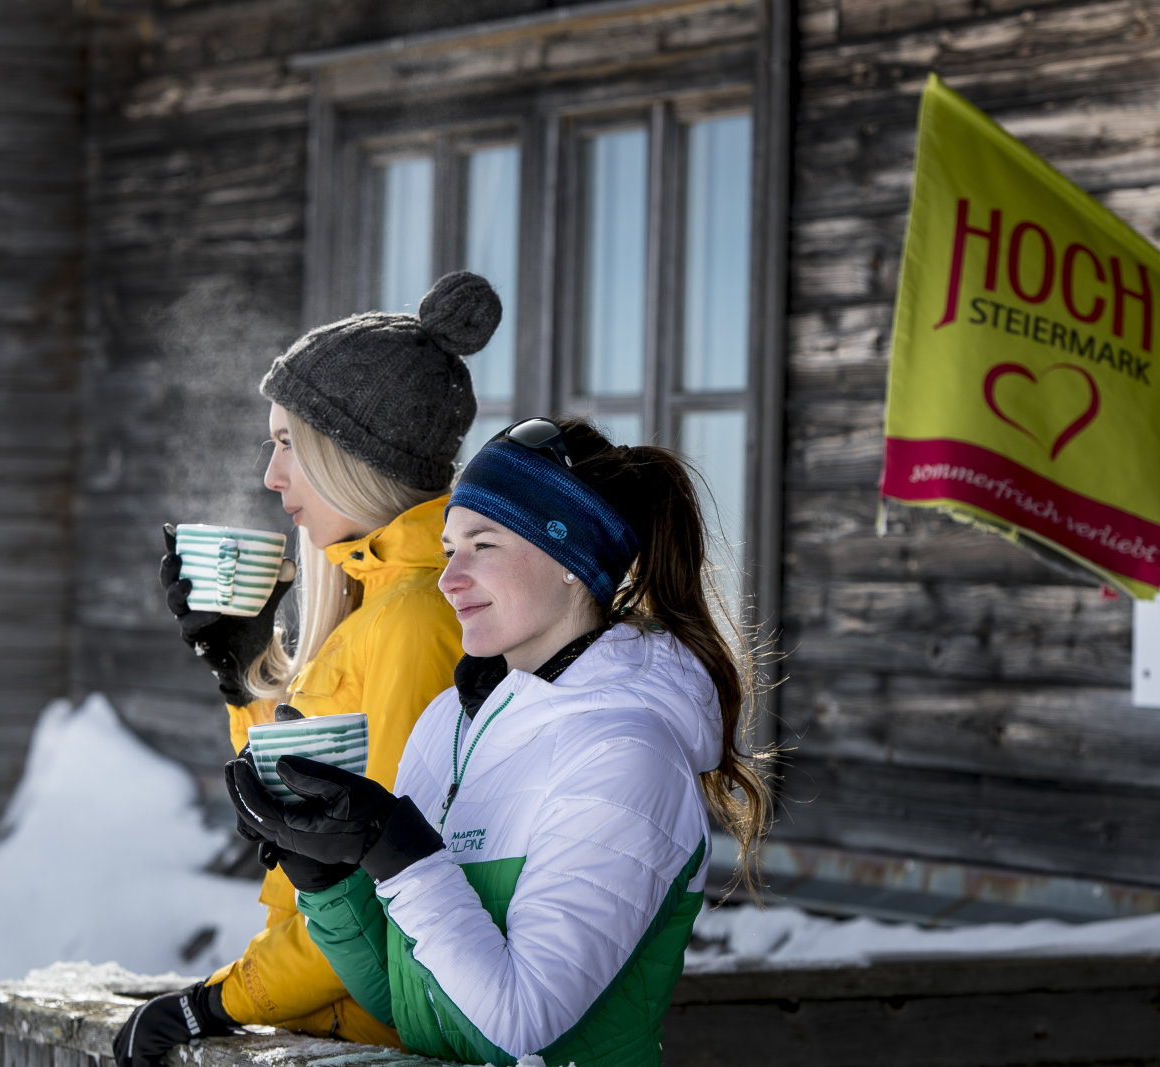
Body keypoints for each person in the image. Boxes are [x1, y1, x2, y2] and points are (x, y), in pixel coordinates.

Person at [226, 416, 776, 1067]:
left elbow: (521, 1023)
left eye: (483, 545)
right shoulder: (447, 722)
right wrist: (326, 880)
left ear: (570, 559)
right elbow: (409, 1005)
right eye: (449, 549)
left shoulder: (629, 755)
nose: (449, 578)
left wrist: (400, 854)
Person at [112, 272, 503, 1067]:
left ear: (353, 452)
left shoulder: (417, 618)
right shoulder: (373, 600)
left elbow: (378, 884)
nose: (271, 475)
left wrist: (215, 1002)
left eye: (288, 443)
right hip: (336, 1029)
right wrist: (245, 670)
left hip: (377, 1040)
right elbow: (304, 803)